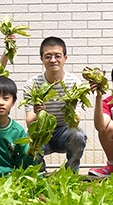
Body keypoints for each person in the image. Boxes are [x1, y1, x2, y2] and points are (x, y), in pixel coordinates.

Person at [23, 36, 87, 172]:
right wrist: (39, 113)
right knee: (28, 141)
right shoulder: (32, 84)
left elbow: (76, 121)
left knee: (78, 136)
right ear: (41, 59)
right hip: (42, 133)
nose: (53, 60)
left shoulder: (74, 83)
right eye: (48, 56)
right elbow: (30, 123)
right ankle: (39, 174)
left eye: (57, 56)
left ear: (65, 58)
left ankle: (70, 173)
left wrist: (72, 109)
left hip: (64, 132)